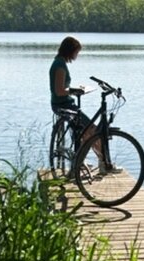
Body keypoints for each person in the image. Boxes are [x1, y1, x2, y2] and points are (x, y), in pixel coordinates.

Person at [49, 36, 121, 174]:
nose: (77, 55)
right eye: (76, 52)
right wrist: (75, 90)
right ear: (70, 51)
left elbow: (61, 89)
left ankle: (85, 162)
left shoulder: (59, 63)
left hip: (64, 103)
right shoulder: (59, 66)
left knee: (88, 131)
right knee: (92, 131)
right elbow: (59, 90)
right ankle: (103, 163)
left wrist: (75, 90)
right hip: (64, 106)